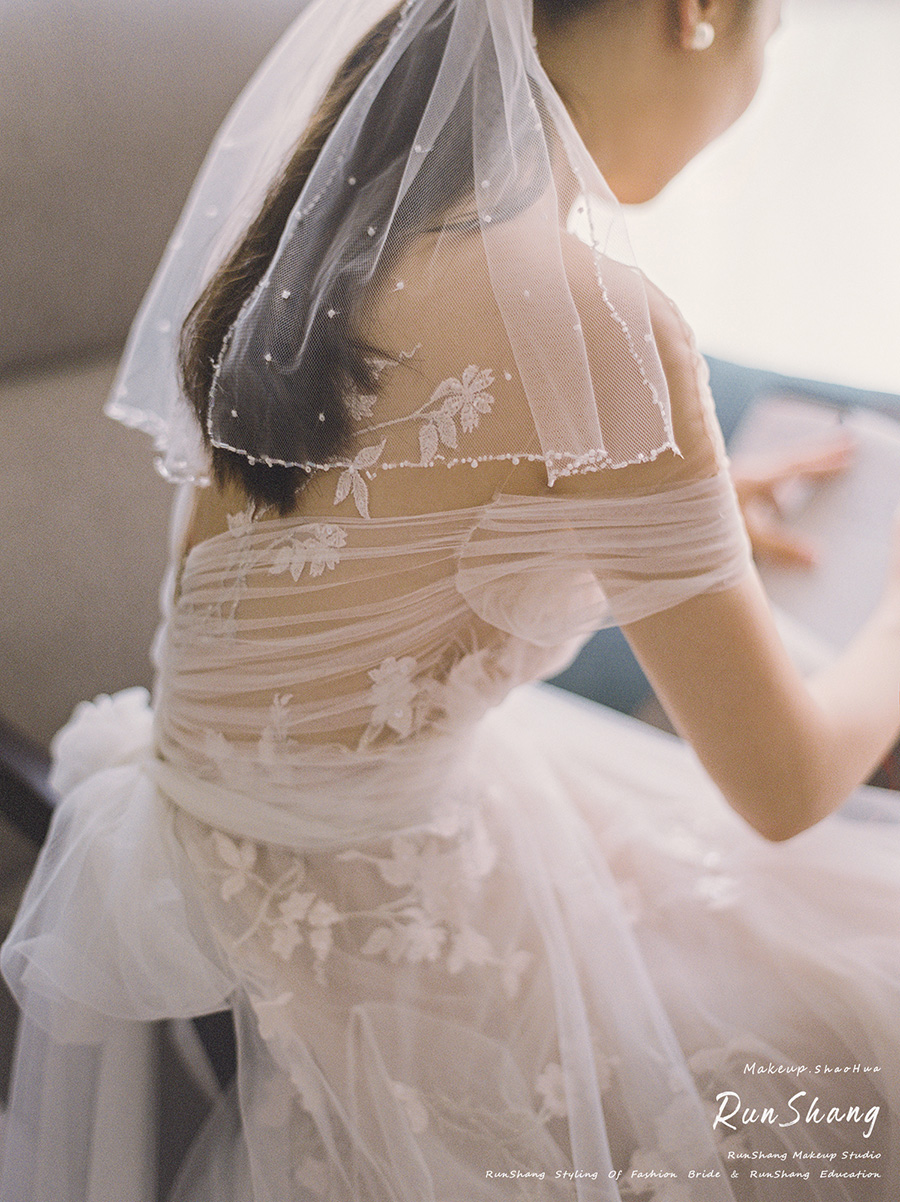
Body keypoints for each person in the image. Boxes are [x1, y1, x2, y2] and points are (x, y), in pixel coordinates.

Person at [3, 0, 900, 1199]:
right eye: (768, 40)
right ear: (694, 14)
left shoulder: (320, 232)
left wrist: (690, 506)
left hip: (220, 850)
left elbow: (372, 524)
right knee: (858, 1012)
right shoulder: (596, 318)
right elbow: (784, 786)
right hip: (373, 941)